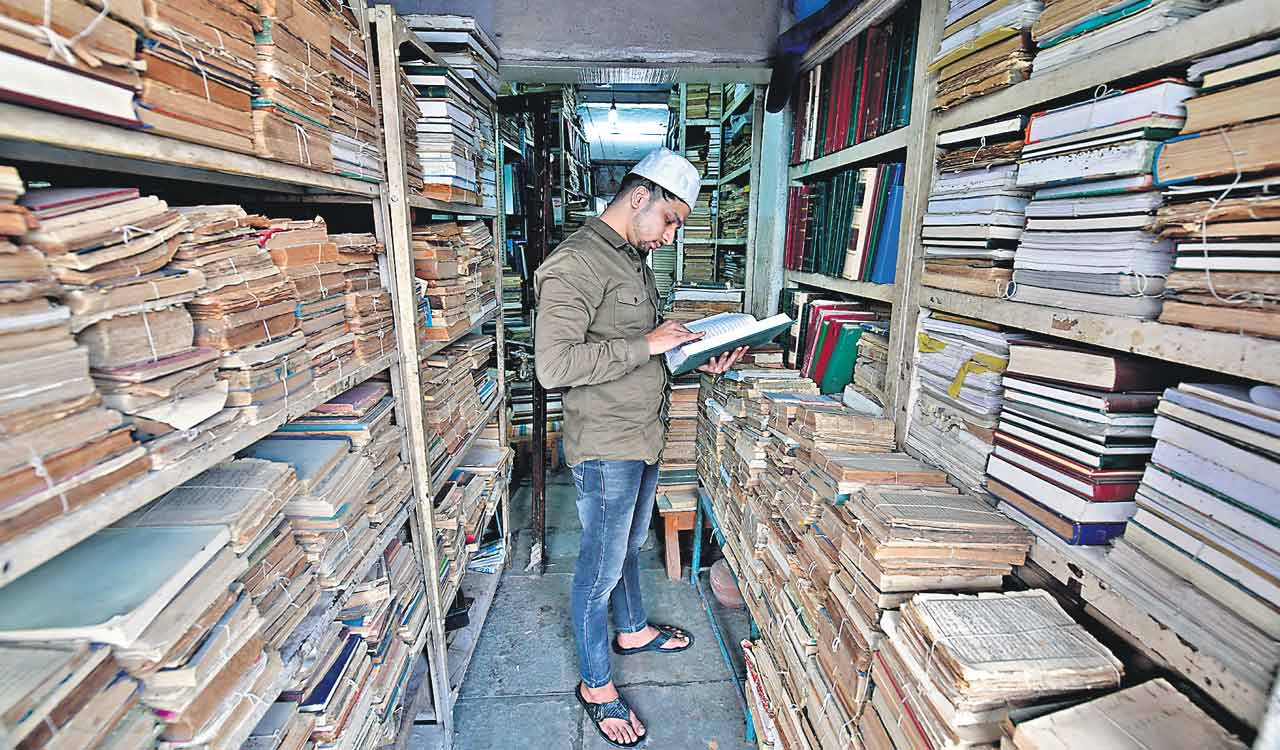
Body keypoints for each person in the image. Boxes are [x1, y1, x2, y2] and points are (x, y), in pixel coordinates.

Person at [534, 147, 747, 748]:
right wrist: (648, 345)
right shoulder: (576, 263)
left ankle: (630, 630)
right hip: (605, 441)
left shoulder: (632, 259)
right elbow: (554, 366)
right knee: (599, 564)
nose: (672, 235)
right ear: (638, 197)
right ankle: (596, 684)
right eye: (672, 220)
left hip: (642, 432)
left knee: (628, 542)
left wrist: (695, 357)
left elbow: (644, 349)